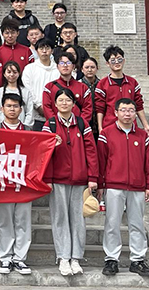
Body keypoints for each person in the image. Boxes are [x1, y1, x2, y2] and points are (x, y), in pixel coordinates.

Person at [43, 88, 99, 277]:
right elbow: (44, 155)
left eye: (68, 100)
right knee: (60, 218)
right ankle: (63, 257)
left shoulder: (82, 123)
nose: (64, 103)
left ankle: (76, 258)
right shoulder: (50, 125)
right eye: (60, 100)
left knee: (78, 220)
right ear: (55, 104)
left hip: (79, 180)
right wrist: (47, 179)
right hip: (58, 180)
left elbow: (91, 151)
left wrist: (93, 177)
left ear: (73, 104)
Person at [99, 98, 149, 278]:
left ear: (135, 114)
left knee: (137, 224)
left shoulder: (142, 135)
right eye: (123, 110)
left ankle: (138, 259)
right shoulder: (106, 133)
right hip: (113, 185)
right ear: (116, 112)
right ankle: (111, 259)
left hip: (137, 187)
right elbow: (101, 161)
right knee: (112, 223)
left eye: (131, 110)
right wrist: (100, 184)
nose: (127, 114)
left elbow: (148, 162)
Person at [0, 93, 32, 275]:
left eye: (15, 106)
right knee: (4, 221)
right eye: (8, 106)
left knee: (23, 221)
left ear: (21, 109)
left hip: (24, 183)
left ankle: (20, 258)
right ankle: (6, 257)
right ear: (2, 109)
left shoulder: (30, 131)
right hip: (3, 183)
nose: (12, 109)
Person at [95, 46, 149, 142]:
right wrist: (100, 128)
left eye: (119, 59)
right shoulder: (102, 84)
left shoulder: (132, 82)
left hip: (130, 126)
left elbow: (139, 105)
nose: (117, 62)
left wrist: (146, 126)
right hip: (110, 126)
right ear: (107, 63)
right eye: (113, 60)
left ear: (124, 60)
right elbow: (100, 108)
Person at [43, 51, 93, 123]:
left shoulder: (83, 88)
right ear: (57, 66)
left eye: (68, 63)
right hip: (56, 126)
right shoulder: (49, 87)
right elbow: (47, 108)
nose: (65, 65)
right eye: (62, 63)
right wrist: (56, 124)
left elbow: (87, 110)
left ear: (73, 66)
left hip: (78, 127)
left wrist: (79, 124)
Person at [22, 38, 58, 130]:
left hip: (55, 114)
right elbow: (27, 88)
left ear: (52, 51)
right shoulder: (30, 68)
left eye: (47, 48)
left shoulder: (58, 70)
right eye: (41, 48)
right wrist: (38, 106)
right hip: (34, 114)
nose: (44, 51)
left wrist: (49, 108)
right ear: (36, 51)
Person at [0, 61, 30, 127]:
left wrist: (25, 127)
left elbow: (29, 113)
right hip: (4, 129)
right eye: (9, 72)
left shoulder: (26, 92)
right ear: (4, 74)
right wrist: (4, 127)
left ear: (19, 73)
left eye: (15, 72)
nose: (12, 74)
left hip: (22, 129)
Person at [80, 57, 100, 128]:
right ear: (82, 69)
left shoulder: (102, 85)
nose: (90, 70)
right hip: (83, 122)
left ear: (97, 68)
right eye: (86, 67)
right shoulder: (78, 85)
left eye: (92, 67)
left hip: (100, 122)